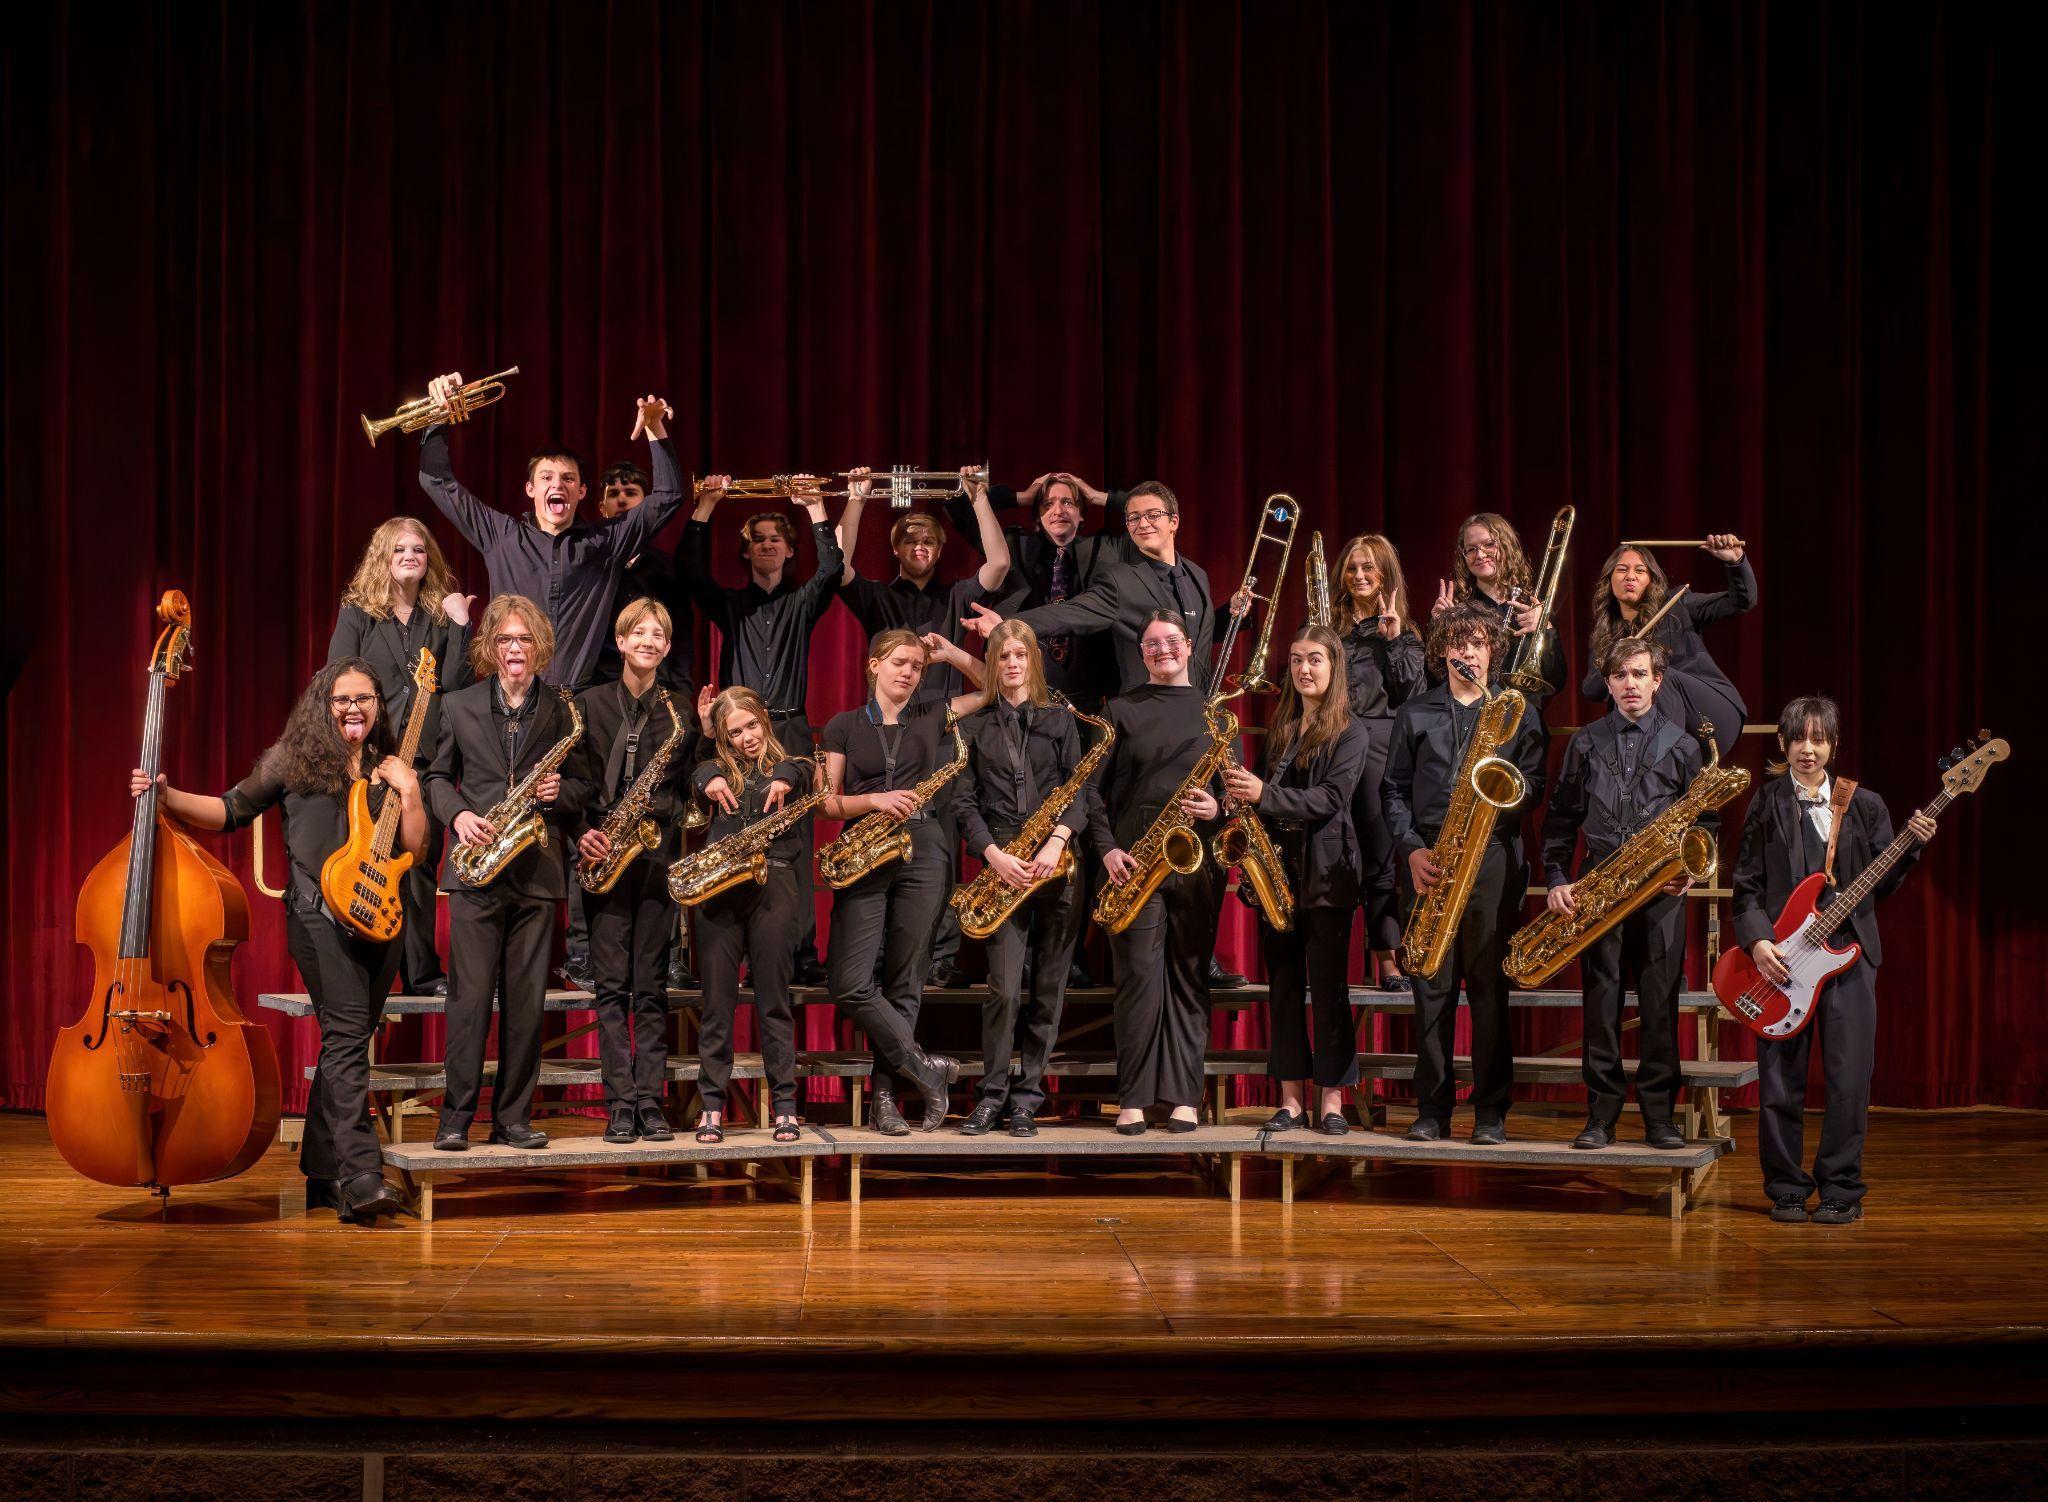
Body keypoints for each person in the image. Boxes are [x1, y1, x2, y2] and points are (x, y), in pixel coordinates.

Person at [134, 659, 426, 1222]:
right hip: (318, 921)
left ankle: (321, 1172)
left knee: (345, 1040)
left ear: (378, 705)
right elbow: (229, 810)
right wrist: (167, 797)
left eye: (364, 699)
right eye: (342, 699)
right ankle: (361, 1177)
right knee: (347, 1038)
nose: (353, 709)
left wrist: (410, 791)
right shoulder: (292, 760)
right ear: (323, 705)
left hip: (380, 918)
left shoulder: (390, 766)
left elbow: (416, 848)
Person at [1733, 695, 1937, 1224]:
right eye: (1799, 739)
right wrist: (1758, 944)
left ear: (1834, 745)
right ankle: (1785, 1188)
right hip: (1783, 961)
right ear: (1783, 743)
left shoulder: (1864, 804)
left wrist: (1910, 847)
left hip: (1850, 957)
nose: (1809, 749)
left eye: (1819, 739)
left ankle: (1842, 1187)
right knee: (1780, 1081)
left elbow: (1882, 884)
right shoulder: (1766, 802)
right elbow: (1746, 885)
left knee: (1849, 1079)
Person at [424, 595, 595, 1152]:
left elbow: (584, 787)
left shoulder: (563, 709)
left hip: (536, 871)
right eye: (504, 639)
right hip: (475, 871)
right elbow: (436, 779)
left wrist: (560, 791)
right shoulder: (459, 705)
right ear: (490, 647)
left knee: (525, 1005)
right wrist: (459, 814)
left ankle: (513, 1119)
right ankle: (455, 1119)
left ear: (539, 647)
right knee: (469, 1003)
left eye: (524, 639)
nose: (514, 648)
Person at [835, 466, 1012, 985]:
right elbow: (837, 564)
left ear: (939, 549)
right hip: (884, 733)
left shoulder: (955, 596)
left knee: (942, 843)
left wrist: (978, 497)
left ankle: (940, 955)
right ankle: (878, 955)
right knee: (877, 838)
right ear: (896, 548)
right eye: (911, 540)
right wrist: (856, 498)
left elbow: (999, 563)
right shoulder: (878, 596)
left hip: (943, 731)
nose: (920, 546)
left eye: (929, 540)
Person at [1381, 602, 1547, 1145]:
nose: (1468, 653)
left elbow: (1534, 786)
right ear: (1442, 653)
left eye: (1477, 643)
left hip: (1491, 855)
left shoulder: (1516, 711)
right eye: (1458, 644)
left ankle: (1491, 1112)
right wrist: (1411, 850)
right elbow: (1393, 790)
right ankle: (1432, 1109)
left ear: (1493, 652)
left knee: (1488, 989)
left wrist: (1496, 807)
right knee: (1430, 986)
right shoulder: (1416, 712)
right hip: (1430, 857)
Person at [673, 476, 843, 985]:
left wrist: (815, 509)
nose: (767, 545)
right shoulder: (730, 605)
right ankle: (750, 951)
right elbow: (688, 569)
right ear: (746, 552)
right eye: (758, 540)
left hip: (788, 731)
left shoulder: (802, 602)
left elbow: (832, 570)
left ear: (789, 550)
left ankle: (803, 952)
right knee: (741, 835)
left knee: (797, 839)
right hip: (738, 736)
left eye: (776, 539)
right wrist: (706, 505)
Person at [1540, 637, 1704, 1151]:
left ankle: (1659, 1117)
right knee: (1601, 1004)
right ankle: (1601, 1116)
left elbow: (1705, 825)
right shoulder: (1584, 743)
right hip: (1598, 886)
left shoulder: (1685, 746)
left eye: (1638, 674)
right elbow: (1561, 820)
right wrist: (1557, 878)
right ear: (1608, 684)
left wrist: (1690, 871)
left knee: (1659, 1005)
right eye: (1619, 675)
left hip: (1661, 890)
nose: (1629, 684)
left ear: (1657, 681)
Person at [415, 383, 684, 688]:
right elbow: (436, 481)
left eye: (568, 479)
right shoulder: (501, 536)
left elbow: (669, 496)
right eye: (546, 478)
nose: (558, 485)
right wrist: (438, 416)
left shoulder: (606, 543)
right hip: (509, 700)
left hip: (575, 704)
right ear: (530, 489)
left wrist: (654, 427)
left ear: (581, 491)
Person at [819, 628, 979, 1134]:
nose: (909, 672)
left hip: (923, 846)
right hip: (864, 847)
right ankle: (926, 1068)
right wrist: (873, 800)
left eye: (917, 666)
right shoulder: (843, 725)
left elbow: (994, 687)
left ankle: (884, 1100)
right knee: (850, 982)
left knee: (906, 981)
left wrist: (951, 654)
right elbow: (827, 802)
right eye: (899, 662)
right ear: (873, 665)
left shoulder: (933, 713)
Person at [1221, 624, 1372, 1136]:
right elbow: (1265, 797)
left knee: (1329, 993)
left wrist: (1262, 793)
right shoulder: (1282, 728)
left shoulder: (1351, 732)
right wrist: (1240, 803)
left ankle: (1331, 1100)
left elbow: (1330, 799)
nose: (1304, 669)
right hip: (1278, 874)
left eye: (1315, 660)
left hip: (1326, 875)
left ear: (1334, 668)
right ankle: (1290, 1100)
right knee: (1283, 991)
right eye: (1297, 660)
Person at [952, 621, 1102, 1137]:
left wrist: (1058, 840)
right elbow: (963, 803)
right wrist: (993, 855)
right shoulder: (973, 727)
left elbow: (1079, 789)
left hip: (1056, 861)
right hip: (1004, 863)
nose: (1012, 664)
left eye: (1020, 654)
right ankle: (991, 1096)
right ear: (992, 664)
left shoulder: (1061, 720)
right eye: (1003, 655)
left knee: (1049, 989)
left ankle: (1027, 1099)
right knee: (1002, 989)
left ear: (1033, 661)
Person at [1092, 612, 1229, 1134]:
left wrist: (1218, 808)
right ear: (1141, 653)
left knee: (1189, 980)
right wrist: (1107, 849)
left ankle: (1183, 1098)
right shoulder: (1120, 710)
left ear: (1190, 646)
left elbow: (1236, 791)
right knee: (1138, 981)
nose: (1162, 649)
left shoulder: (1215, 713)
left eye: (1172, 641)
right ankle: (1134, 1098)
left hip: (1197, 863)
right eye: (1151, 643)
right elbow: (1089, 791)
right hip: (1133, 864)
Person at [328, 517, 475, 997]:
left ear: (429, 559)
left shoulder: (440, 618)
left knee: (417, 863)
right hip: (371, 757)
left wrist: (460, 624)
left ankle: (422, 973)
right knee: (363, 859)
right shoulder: (358, 614)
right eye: (399, 549)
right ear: (383, 558)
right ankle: (362, 970)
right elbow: (338, 680)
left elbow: (455, 686)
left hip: (427, 761)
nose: (410, 556)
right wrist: (356, 752)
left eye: (418, 549)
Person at [574, 599, 695, 1145]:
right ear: (620, 642)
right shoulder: (588, 703)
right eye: (637, 632)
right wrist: (583, 831)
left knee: (651, 987)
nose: (648, 641)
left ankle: (650, 1101)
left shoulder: (680, 712)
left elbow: (691, 778)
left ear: (666, 648)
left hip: (655, 854)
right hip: (603, 850)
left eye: (658, 635)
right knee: (610, 988)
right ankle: (619, 1104)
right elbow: (575, 781)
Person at [583, 459, 700, 988]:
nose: (623, 500)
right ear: (601, 504)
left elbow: (682, 633)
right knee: (592, 815)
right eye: (614, 493)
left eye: (632, 492)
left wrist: (683, 698)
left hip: (659, 698)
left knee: (662, 834)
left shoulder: (664, 569)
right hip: (602, 692)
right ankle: (585, 951)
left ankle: (666, 951)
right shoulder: (591, 557)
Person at [687, 687, 813, 1145]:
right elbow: (693, 772)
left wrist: (782, 776)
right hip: (721, 892)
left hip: (773, 888)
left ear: (764, 719)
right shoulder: (714, 770)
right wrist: (707, 770)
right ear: (724, 738)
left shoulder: (791, 767)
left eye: (752, 725)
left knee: (773, 1003)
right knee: (717, 1006)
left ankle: (785, 1108)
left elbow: (804, 769)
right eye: (735, 732)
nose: (747, 737)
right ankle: (712, 1107)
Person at [944, 471, 1133, 709]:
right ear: (1037, 514)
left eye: (1068, 503)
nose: (1058, 511)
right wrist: (1019, 497)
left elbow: (1152, 512)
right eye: (1047, 504)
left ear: (1082, 513)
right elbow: (957, 508)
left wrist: (1096, 496)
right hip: (1020, 692)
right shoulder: (1014, 545)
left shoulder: (1106, 548)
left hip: (1089, 696)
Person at [1329, 532, 1425, 990]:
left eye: (1369, 567)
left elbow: (1413, 697)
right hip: (1329, 743)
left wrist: (1393, 641)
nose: (1360, 575)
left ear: (1386, 574)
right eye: (1352, 567)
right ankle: (1324, 960)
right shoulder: (1326, 627)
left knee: (1379, 854)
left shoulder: (1403, 633)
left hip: (1377, 744)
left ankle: (1387, 958)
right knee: (1329, 851)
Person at [1583, 536, 1757, 760]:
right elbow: (1592, 690)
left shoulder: (1677, 605)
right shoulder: (1605, 634)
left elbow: (1742, 601)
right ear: (1609, 580)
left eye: (1640, 571)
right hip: (1669, 733)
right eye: (1622, 570)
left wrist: (1735, 561)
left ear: (1651, 579)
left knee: (1656, 675)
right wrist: (1614, 658)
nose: (1630, 576)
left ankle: (1657, 766)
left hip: (1709, 712)